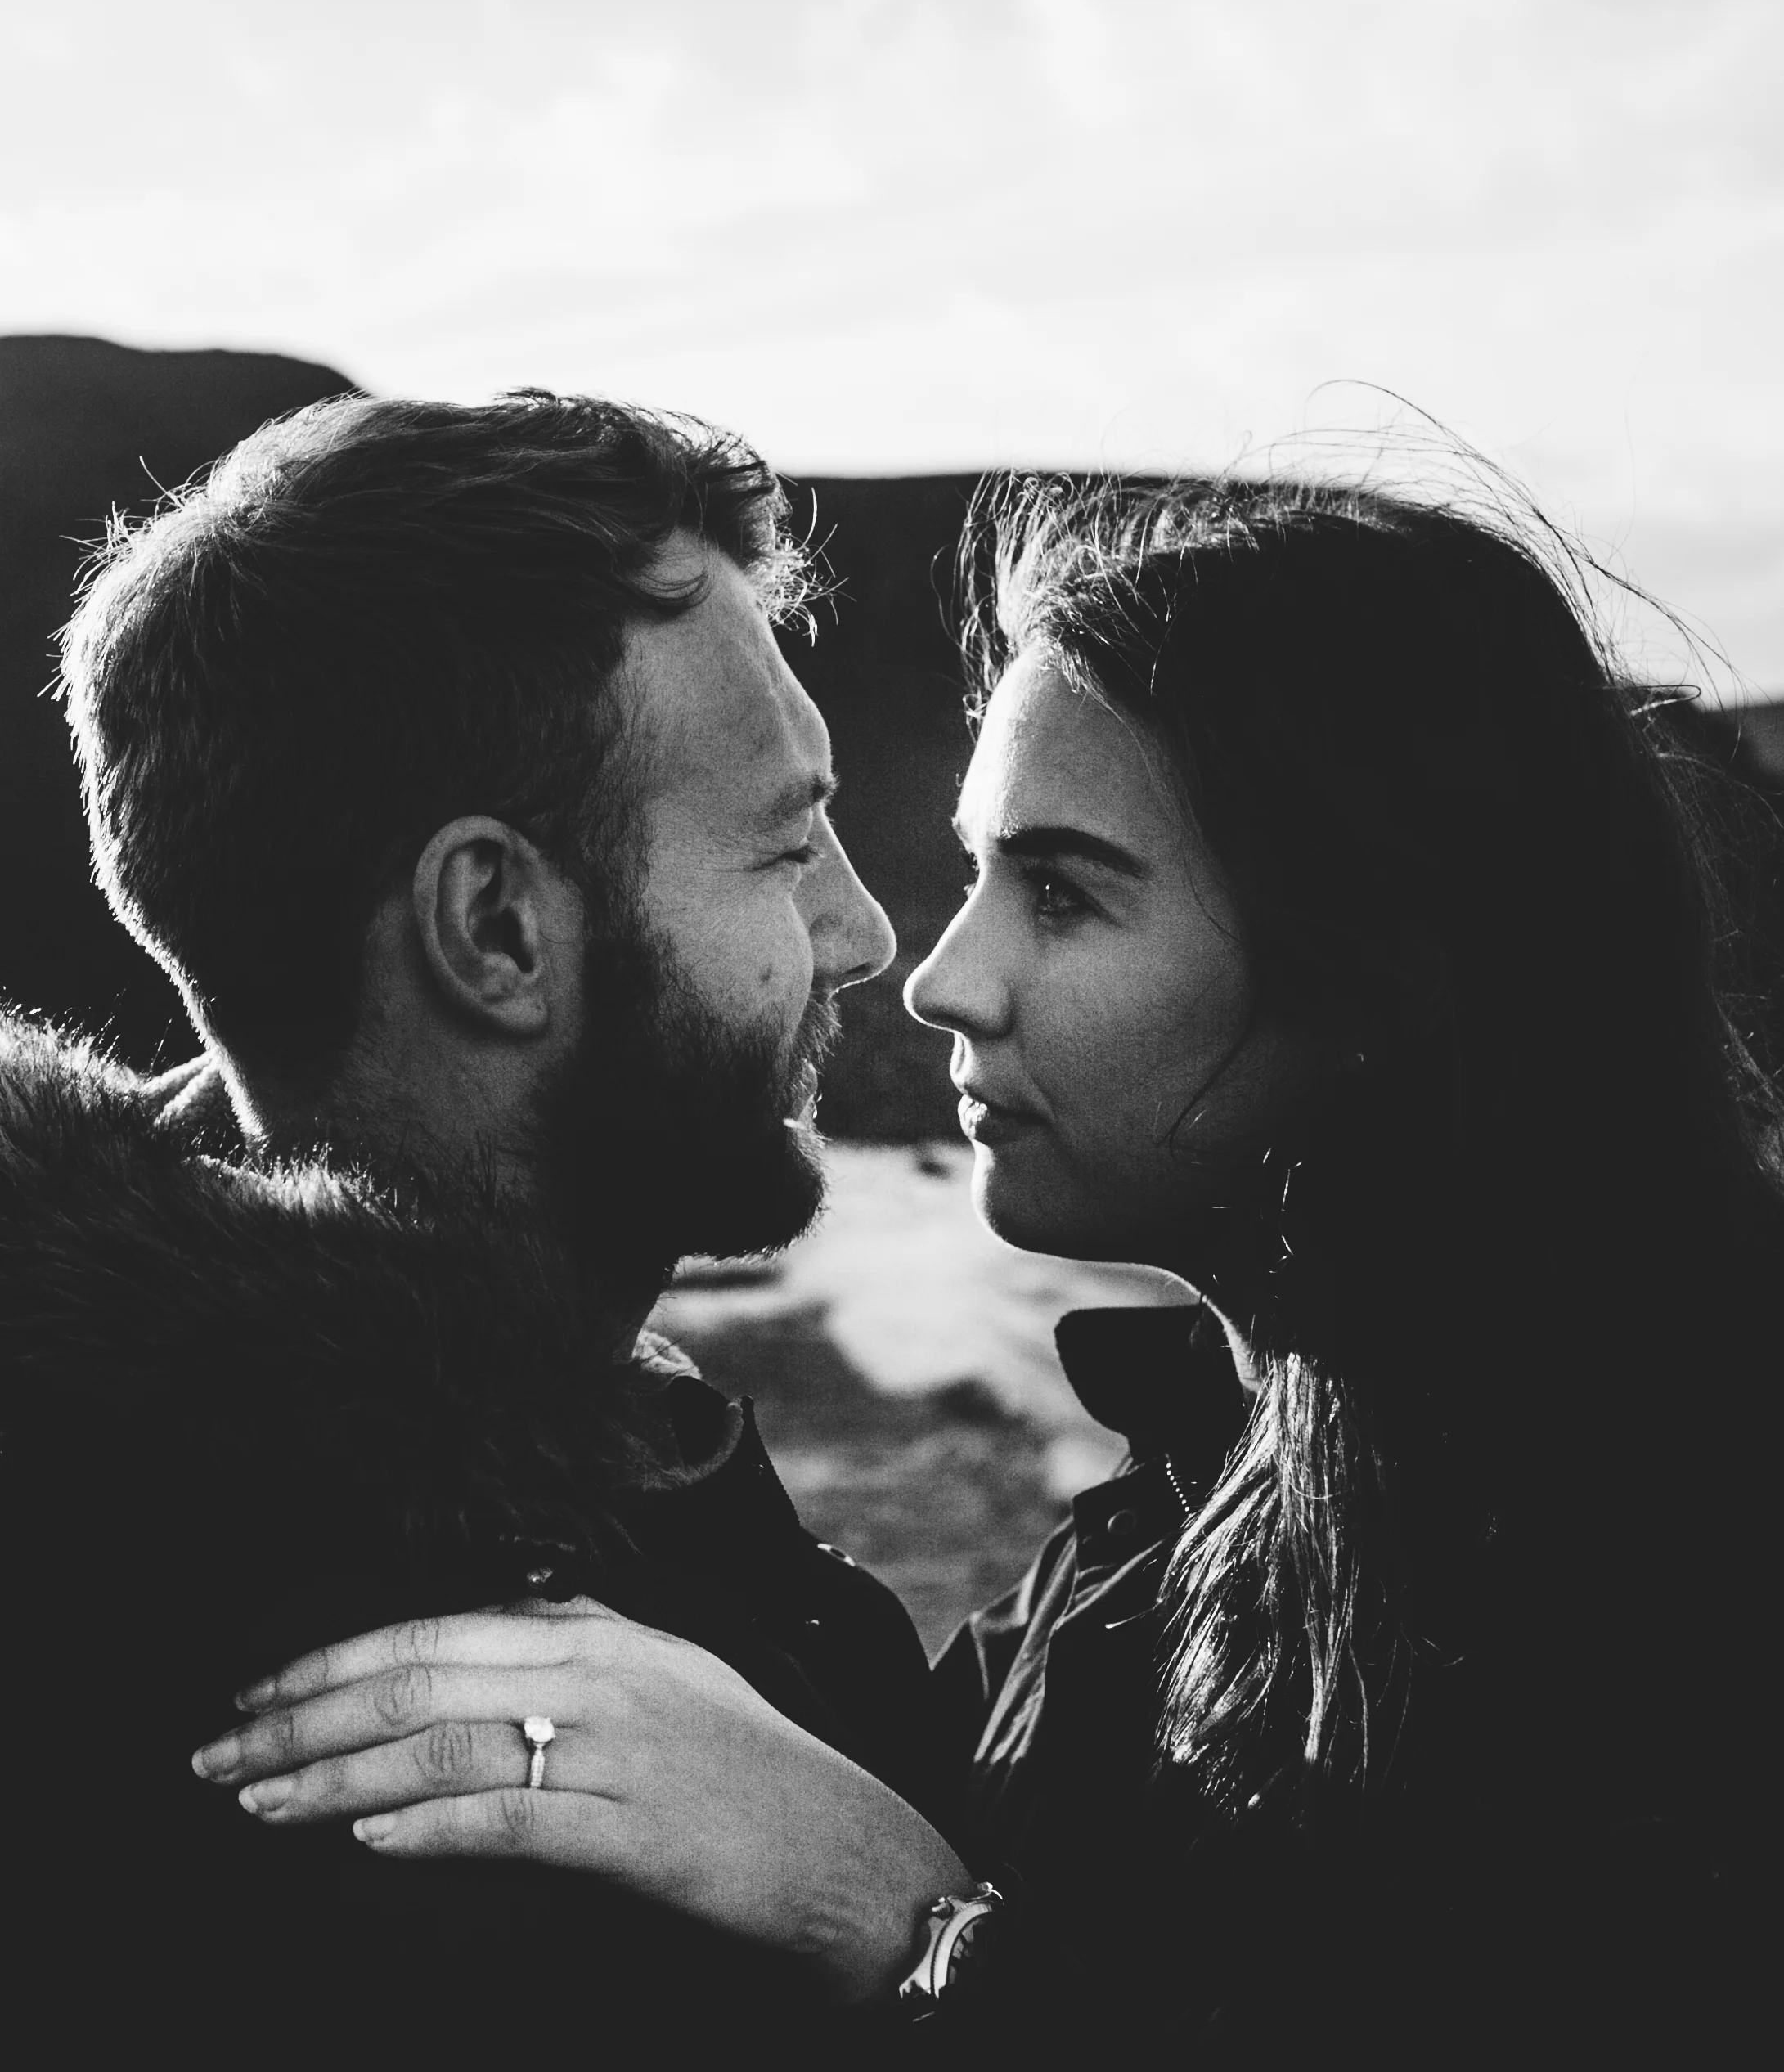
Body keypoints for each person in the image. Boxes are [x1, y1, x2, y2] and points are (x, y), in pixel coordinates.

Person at [201, 469, 1780, 2061]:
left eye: (1065, 893)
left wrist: (904, 1927)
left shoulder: (1685, 1582)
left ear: (1372, 966)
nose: (940, 977)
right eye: (974, 872)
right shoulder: (1155, 1535)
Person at [0, 390, 950, 2055]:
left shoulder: (519, 1445)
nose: (863, 933)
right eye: (784, 848)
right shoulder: (425, 1797)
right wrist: (915, 1919)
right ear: (496, 927)